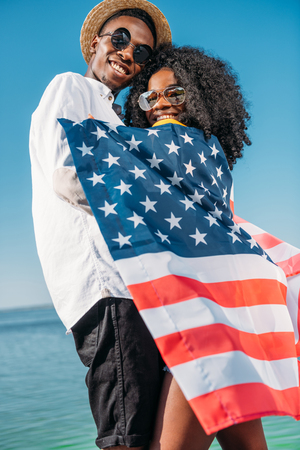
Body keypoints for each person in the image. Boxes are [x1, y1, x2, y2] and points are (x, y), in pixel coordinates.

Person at [29, 1, 172, 449]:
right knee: (126, 437)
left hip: (132, 289)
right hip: (107, 288)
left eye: (143, 52)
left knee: (146, 431)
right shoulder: (72, 86)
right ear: (96, 43)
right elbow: (67, 175)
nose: (129, 53)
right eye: (120, 38)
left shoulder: (115, 117)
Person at [123, 44, 270, 450]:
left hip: (204, 326)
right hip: (223, 321)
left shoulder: (181, 146)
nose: (161, 104)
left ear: (199, 96)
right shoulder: (213, 154)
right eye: (149, 96)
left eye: (175, 92)